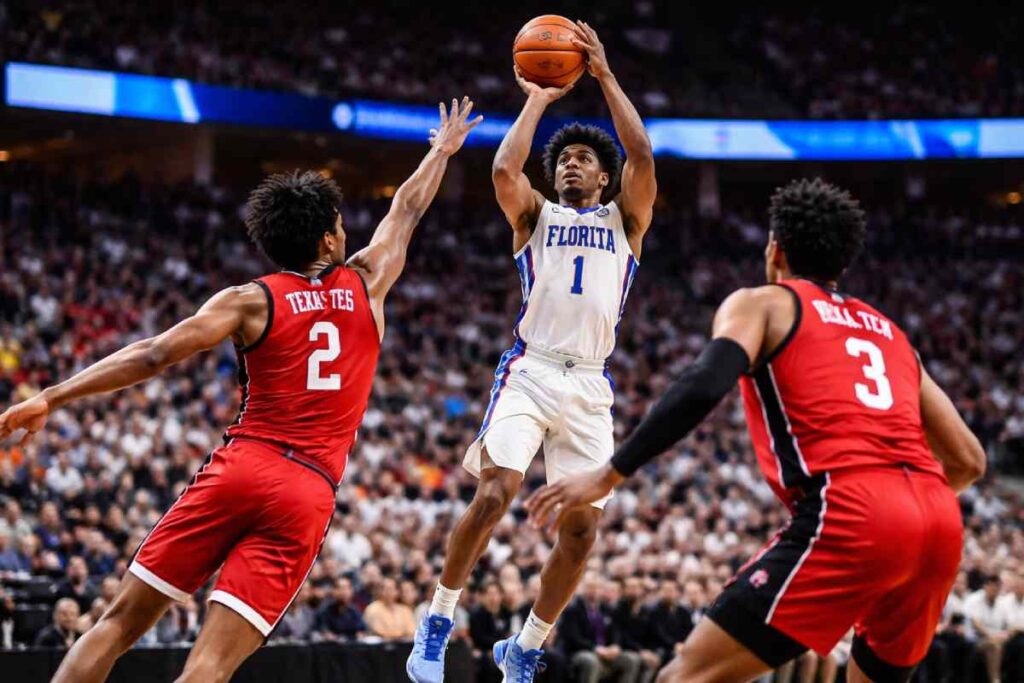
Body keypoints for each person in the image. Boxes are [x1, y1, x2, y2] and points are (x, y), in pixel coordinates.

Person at [0, 97, 481, 683]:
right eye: (340, 225)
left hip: (241, 466)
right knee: (211, 666)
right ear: (330, 242)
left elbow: (153, 354)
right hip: (307, 490)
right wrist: (440, 151)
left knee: (118, 624)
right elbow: (405, 210)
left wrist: (53, 394)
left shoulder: (249, 300)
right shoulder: (367, 282)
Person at [526, 178, 987, 682]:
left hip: (856, 511)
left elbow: (704, 384)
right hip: (939, 523)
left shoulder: (764, 303)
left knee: (684, 677)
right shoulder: (892, 334)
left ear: (774, 250)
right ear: (843, 263)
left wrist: (608, 474)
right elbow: (969, 461)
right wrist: (908, 521)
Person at [409, 20, 656, 683]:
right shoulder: (535, 217)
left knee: (581, 532)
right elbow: (503, 167)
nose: (570, 162)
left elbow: (642, 155)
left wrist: (602, 75)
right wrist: (541, 97)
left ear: (604, 179)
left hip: (590, 384)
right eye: (563, 160)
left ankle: (526, 644)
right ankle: (436, 619)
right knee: (496, 492)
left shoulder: (626, 222)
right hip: (532, 369)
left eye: (583, 160)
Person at [560, 572, 643, 683]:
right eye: (590, 587)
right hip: (581, 651)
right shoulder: (573, 609)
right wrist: (596, 648)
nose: (594, 590)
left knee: (631, 659)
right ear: (582, 588)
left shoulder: (606, 608)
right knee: (591, 661)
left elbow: (615, 630)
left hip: (605, 651)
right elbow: (573, 638)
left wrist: (615, 645)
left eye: (597, 587)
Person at [314, 576, 365, 641]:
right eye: (341, 588)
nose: (344, 592)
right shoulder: (324, 611)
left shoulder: (354, 611)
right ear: (334, 591)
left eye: (347, 588)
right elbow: (324, 632)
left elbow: (360, 632)